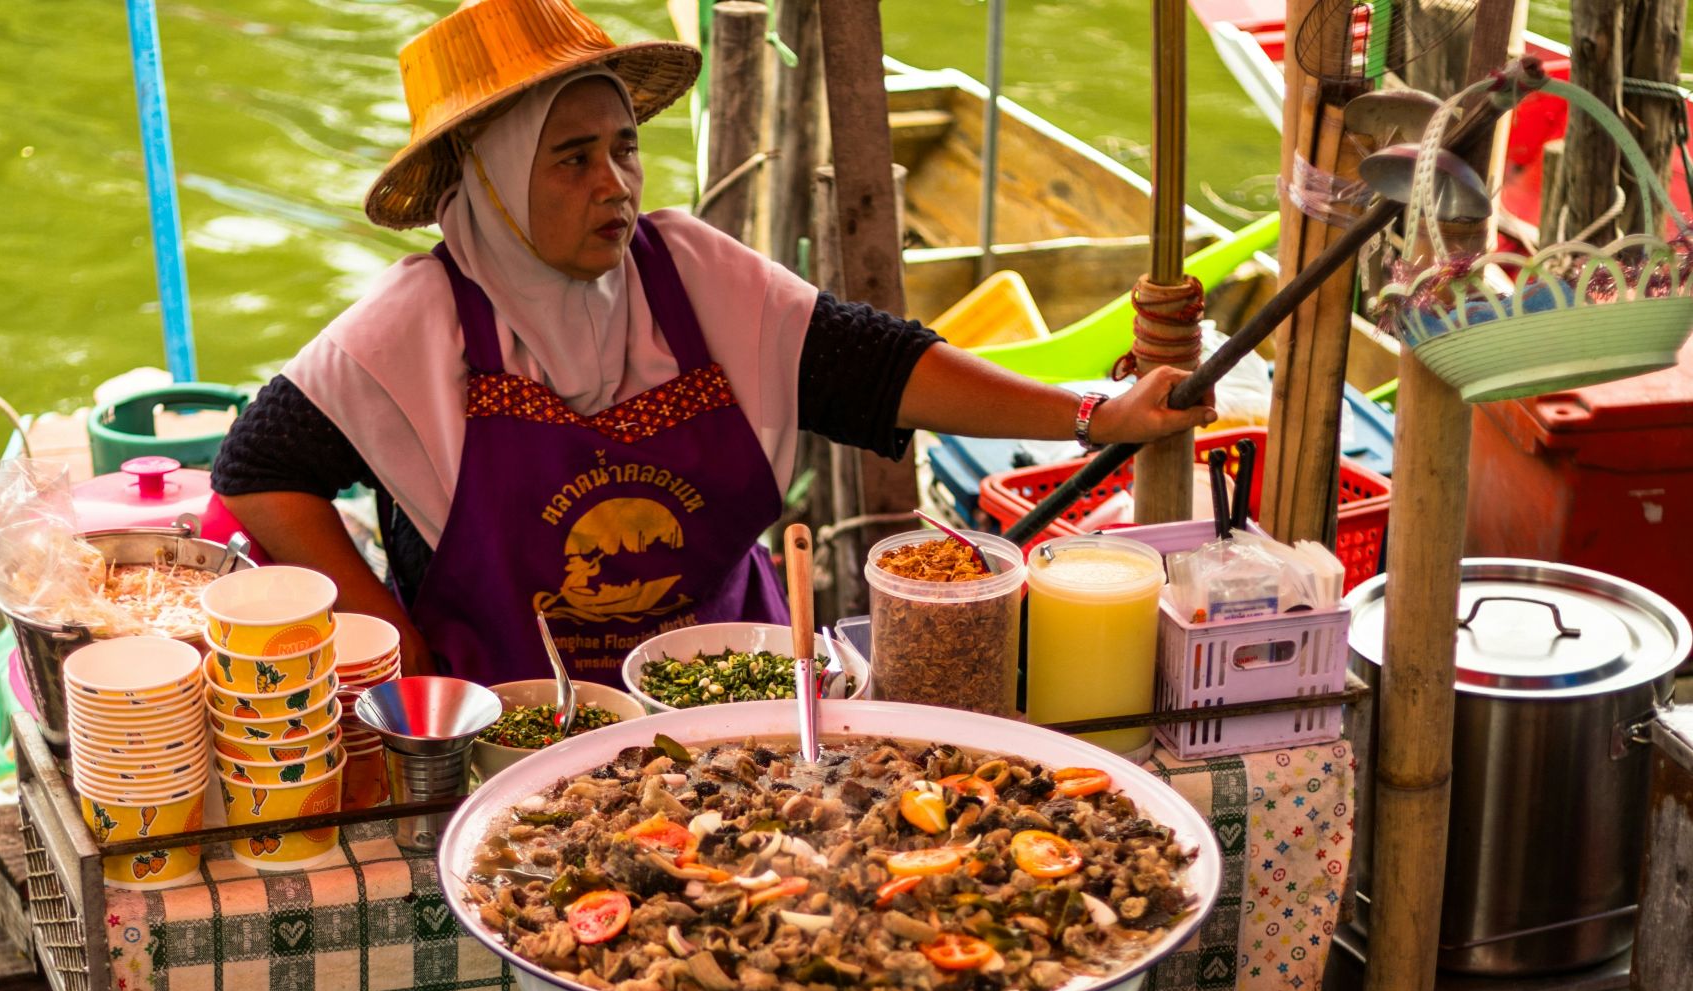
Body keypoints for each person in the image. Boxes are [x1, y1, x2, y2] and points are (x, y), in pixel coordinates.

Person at [212, 0, 1214, 687]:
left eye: (624, 146)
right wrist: (396, 649)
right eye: (573, 159)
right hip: (516, 733)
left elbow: (875, 367)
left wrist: (1092, 415)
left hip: (739, 693)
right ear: (492, 183)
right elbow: (259, 469)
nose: (617, 183)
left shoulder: (690, 271)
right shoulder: (412, 329)